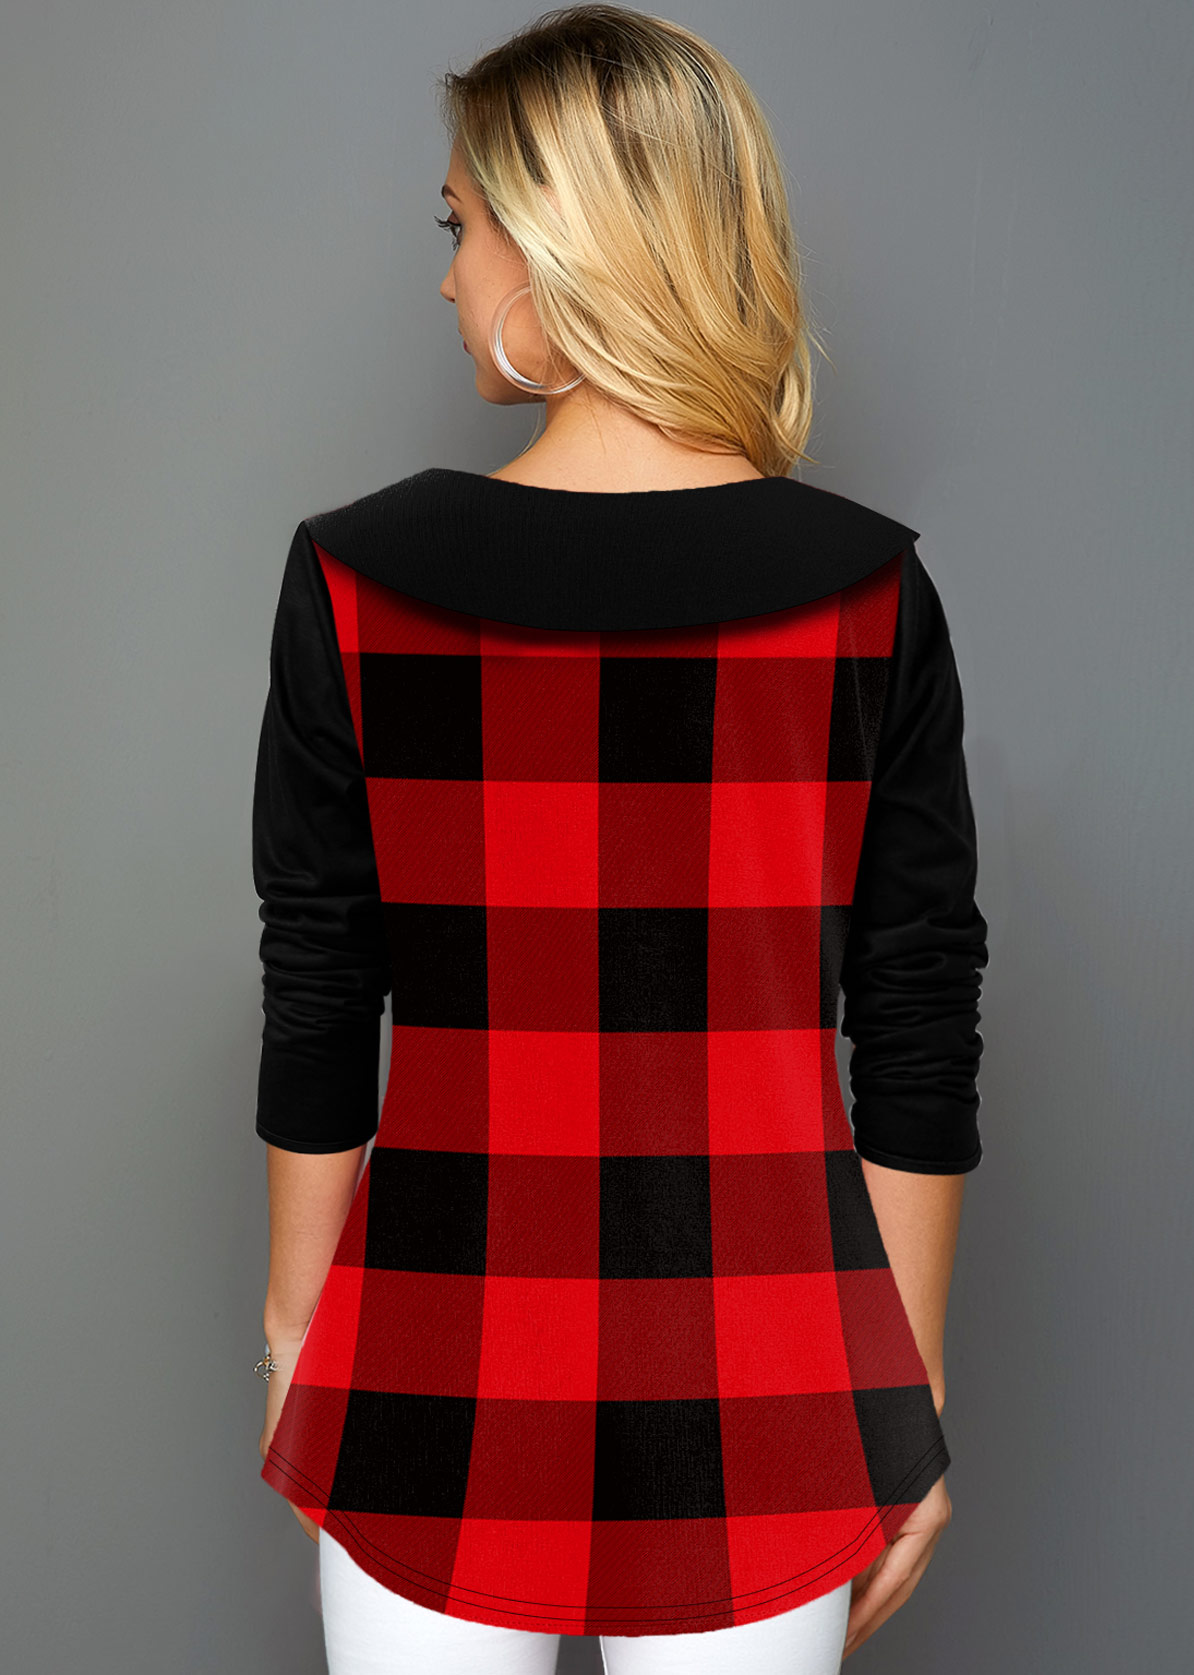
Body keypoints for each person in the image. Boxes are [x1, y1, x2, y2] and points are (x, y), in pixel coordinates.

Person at [251, 7, 989, 1672]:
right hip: (778, 1373)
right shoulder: (870, 595)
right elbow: (917, 1012)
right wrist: (909, 1393)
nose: (447, 276)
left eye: (462, 225)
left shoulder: (356, 583)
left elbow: (325, 984)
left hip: (431, 1341)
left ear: (557, 239)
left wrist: (299, 1333)